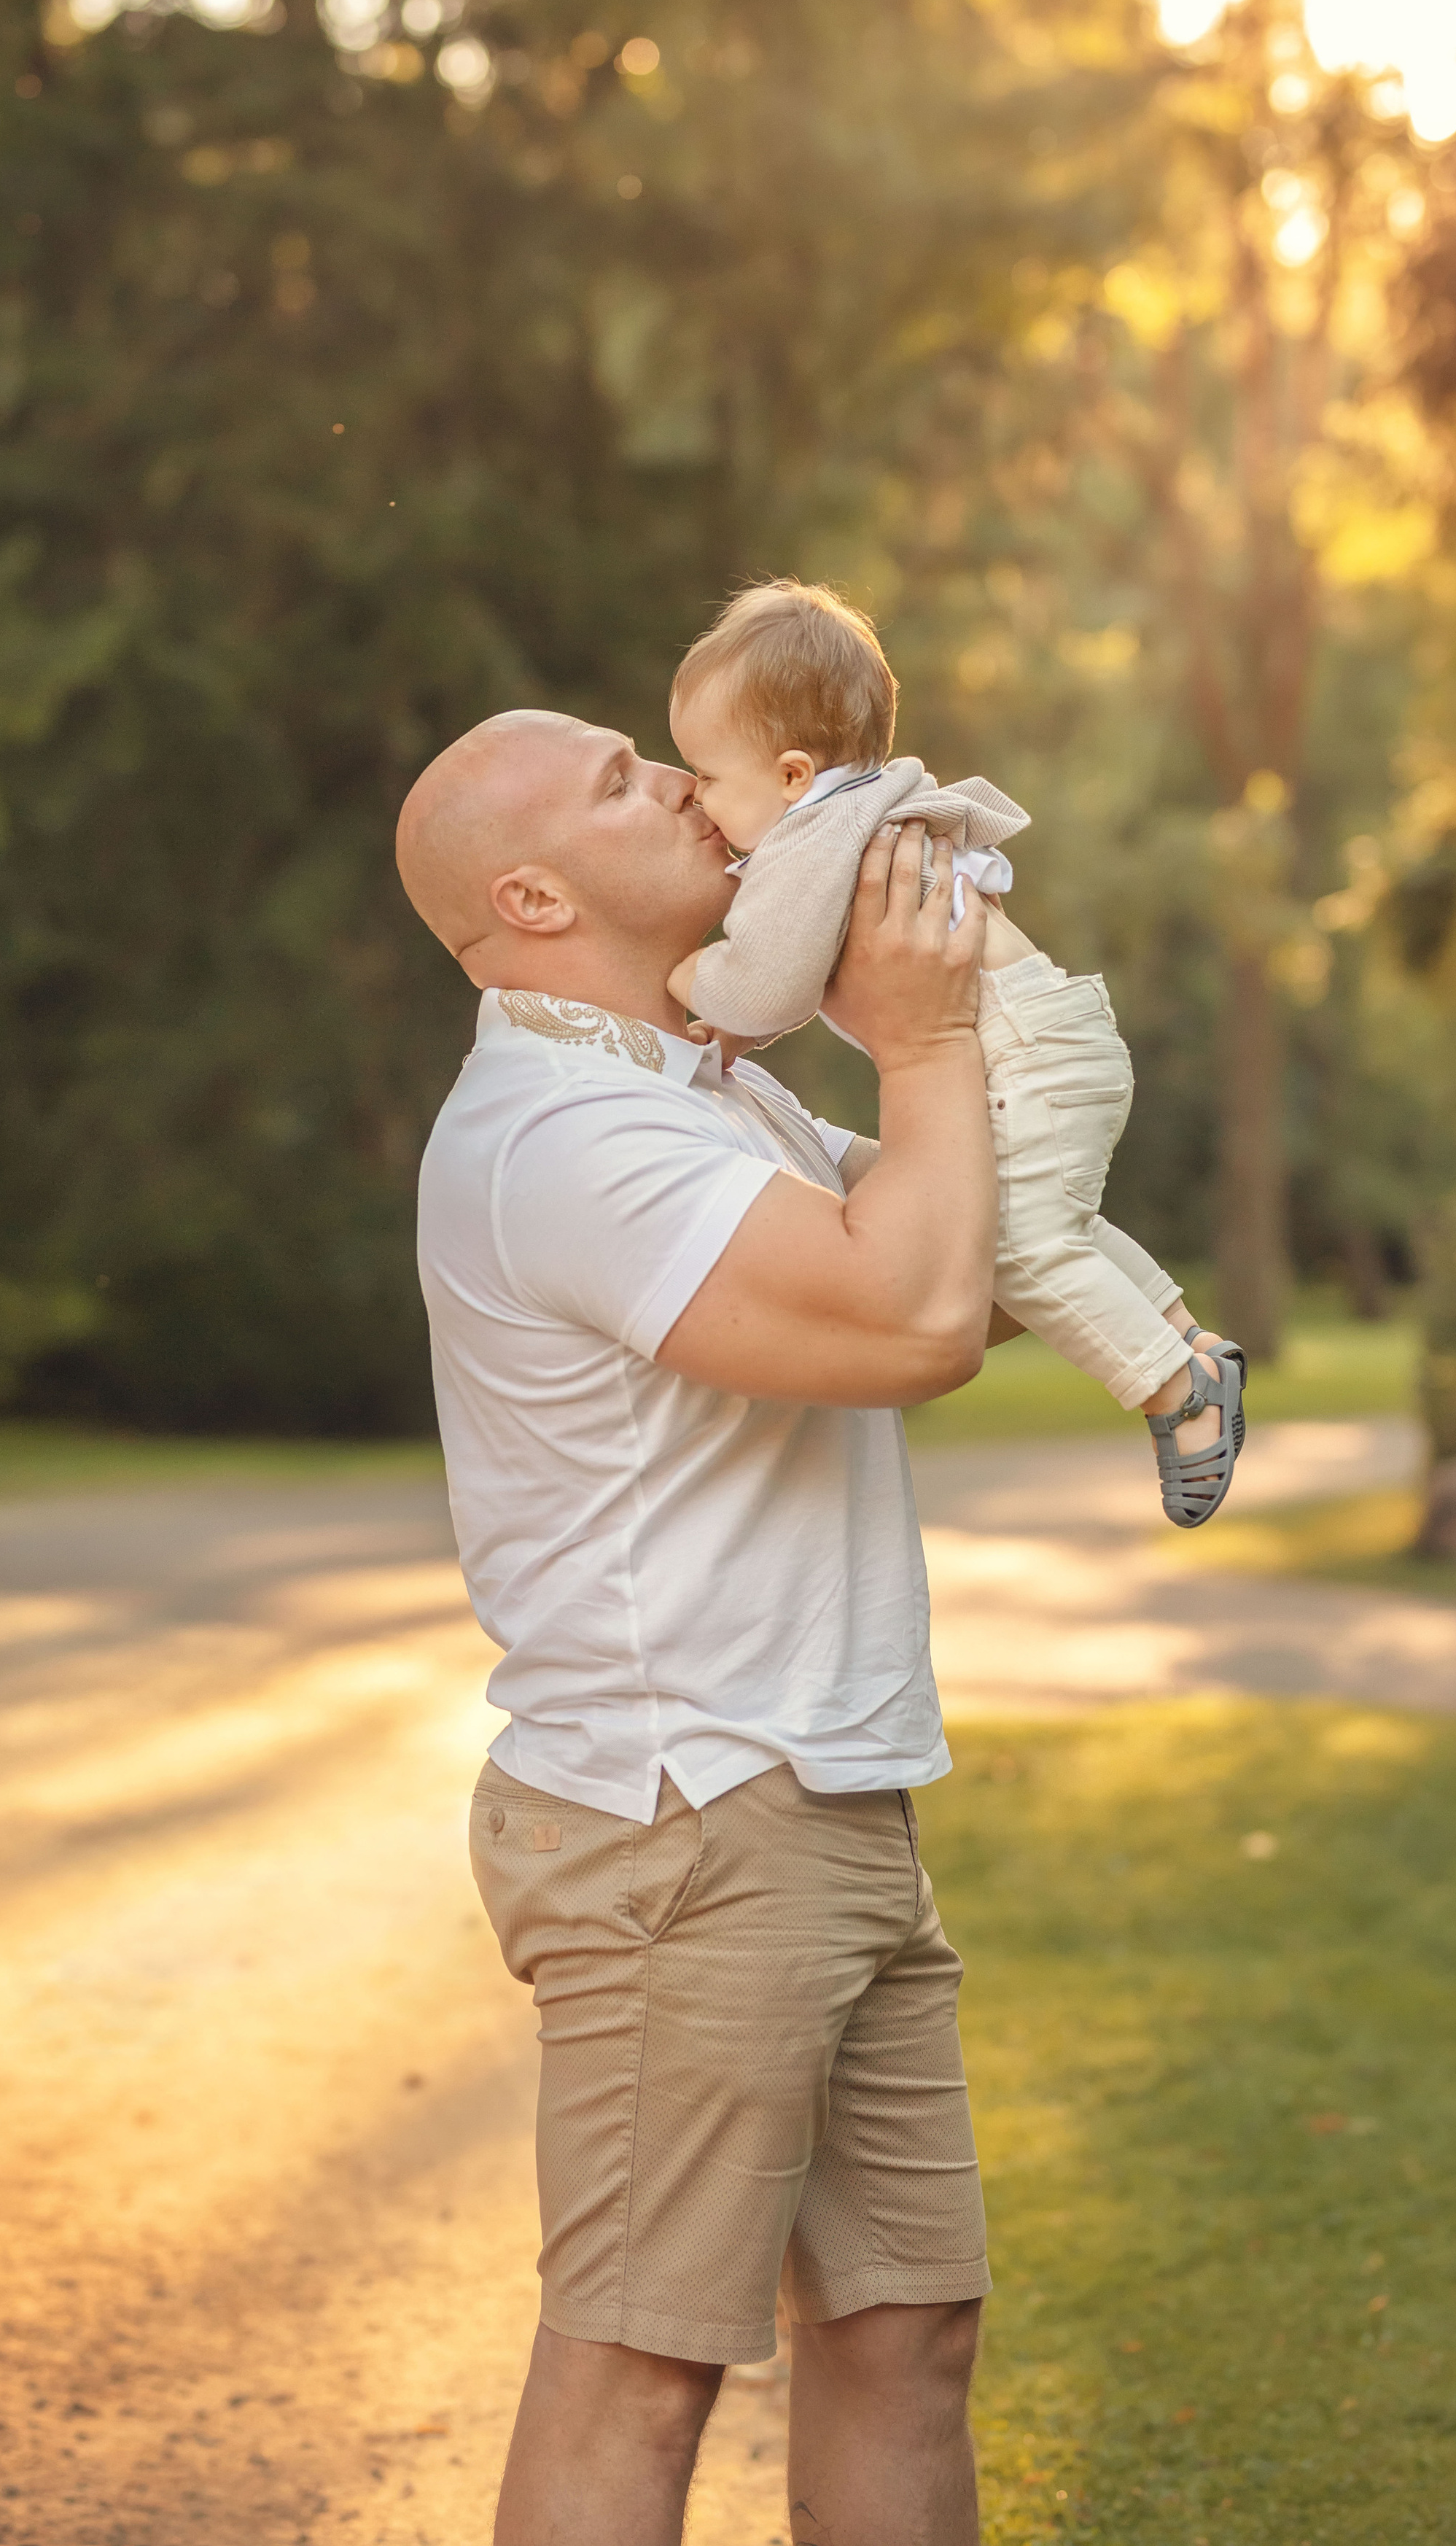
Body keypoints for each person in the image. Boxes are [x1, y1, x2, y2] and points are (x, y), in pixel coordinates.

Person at [396, 703, 997, 2546]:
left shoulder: (695, 1083)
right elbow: (909, 1319)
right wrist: (925, 1039)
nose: (672, 777)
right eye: (613, 780)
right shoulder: (563, 1135)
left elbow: (950, 1237)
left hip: (824, 1798)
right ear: (530, 894)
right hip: (692, 1826)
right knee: (640, 2364)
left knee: (904, 2326)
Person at [665, 579, 1245, 1529]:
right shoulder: (854, 818)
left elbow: (765, 981)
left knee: (1016, 1246)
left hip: (1028, 1056)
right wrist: (743, 1019)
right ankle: (1188, 1337)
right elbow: (804, 981)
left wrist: (688, 982)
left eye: (707, 775)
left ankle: (1175, 1390)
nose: (695, 797)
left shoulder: (813, 842)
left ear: (793, 776)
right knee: (1045, 1222)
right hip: (1053, 1036)